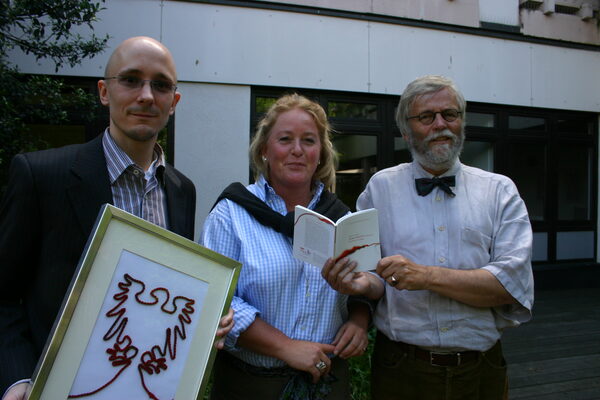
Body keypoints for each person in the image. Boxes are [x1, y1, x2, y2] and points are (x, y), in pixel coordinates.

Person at [0, 36, 233, 400]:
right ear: (104, 92)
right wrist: (18, 381)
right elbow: (4, 296)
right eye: (130, 79)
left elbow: (162, 294)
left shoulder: (181, 190)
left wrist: (202, 321)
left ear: (174, 102)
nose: (146, 95)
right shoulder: (41, 175)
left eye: (160, 85)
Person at [322, 75, 534, 400]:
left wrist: (425, 276)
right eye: (426, 117)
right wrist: (360, 283)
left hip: (481, 371)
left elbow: (509, 287)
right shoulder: (380, 189)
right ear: (406, 131)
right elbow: (372, 277)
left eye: (450, 114)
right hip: (400, 371)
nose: (440, 124)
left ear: (462, 123)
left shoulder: (499, 191)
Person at [201, 93, 370, 399]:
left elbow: (366, 282)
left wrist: (360, 319)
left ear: (320, 152)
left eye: (308, 140)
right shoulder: (232, 214)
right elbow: (217, 298)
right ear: (264, 149)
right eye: (285, 139)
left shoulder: (341, 219)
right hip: (251, 385)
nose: (296, 150)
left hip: (327, 384)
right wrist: (286, 348)